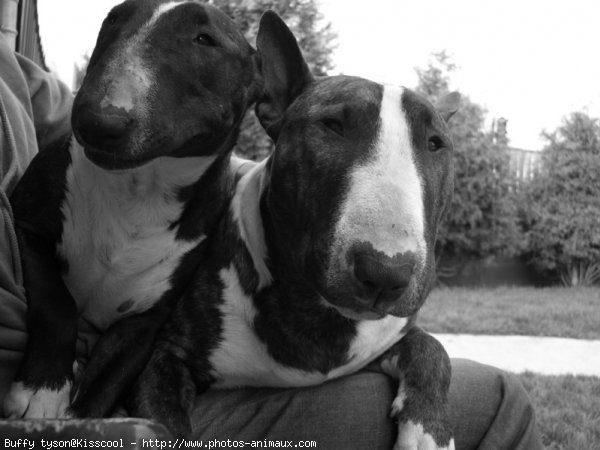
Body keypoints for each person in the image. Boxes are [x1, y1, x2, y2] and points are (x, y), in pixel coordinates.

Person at [0, 34, 543, 449]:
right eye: (332, 127)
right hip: (56, 405)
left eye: (433, 142)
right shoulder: (212, 270)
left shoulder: (16, 74)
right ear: (277, 108)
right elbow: (168, 362)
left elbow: (99, 118)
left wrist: (203, 164)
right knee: (502, 401)